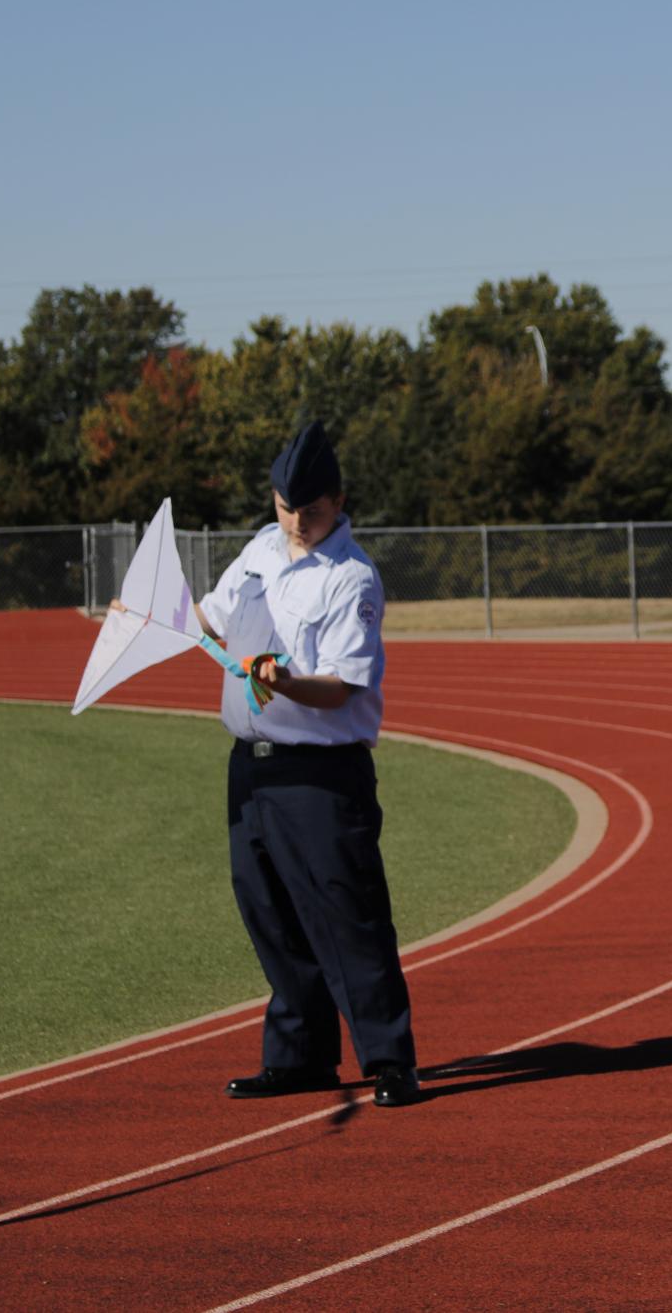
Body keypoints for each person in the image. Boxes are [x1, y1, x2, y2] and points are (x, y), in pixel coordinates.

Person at [192, 420, 421, 1107]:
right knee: (269, 913)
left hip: (322, 777)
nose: (297, 522)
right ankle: (300, 1056)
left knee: (346, 917)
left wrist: (285, 681)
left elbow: (344, 685)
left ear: (337, 500)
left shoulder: (352, 577)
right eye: (286, 507)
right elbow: (210, 618)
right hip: (252, 769)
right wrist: (152, 614)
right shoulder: (261, 549)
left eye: (311, 510)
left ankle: (389, 1059)